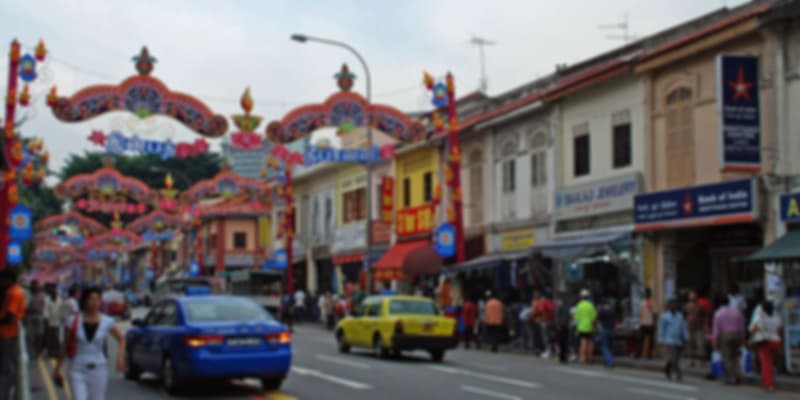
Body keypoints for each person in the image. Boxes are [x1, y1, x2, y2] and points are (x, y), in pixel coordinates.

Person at [54, 287, 125, 400]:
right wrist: (57, 368)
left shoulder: (107, 321)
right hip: (76, 369)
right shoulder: (72, 321)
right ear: (85, 301)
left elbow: (121, 339)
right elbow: (65, 345)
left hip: (98, 370)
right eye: (91, 299)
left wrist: (120, 357)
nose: (95, 303)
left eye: (97, 299)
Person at [0, 267, 25, 399]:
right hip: (6, 334)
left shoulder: (14, 293)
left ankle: (4, 394)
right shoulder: (11, 291)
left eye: (2, 280)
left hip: (7, 335)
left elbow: (10, 315)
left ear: (8, 280)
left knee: (6, 367)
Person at [749, 300, 782, 392]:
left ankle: (769, 384)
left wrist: (752, 337)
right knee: (771, 363)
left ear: (763, 308)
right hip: (776, 341)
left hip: (765, 342)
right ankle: (771, 381)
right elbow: (780, 329)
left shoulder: (761, 317)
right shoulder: (776, 317)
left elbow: (754, 329)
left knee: (765, 364)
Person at [712, 296, 745, 385]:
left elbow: (716, 329)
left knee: (726, 358)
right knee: (735, 357)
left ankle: (730, 377)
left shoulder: (718, 313)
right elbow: (741, 327)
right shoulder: (737, 312)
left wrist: (715, 342)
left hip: (725, 335)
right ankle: (738, 375)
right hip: (736, 335)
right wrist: (742, 338)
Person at [658, 299, 688, 381]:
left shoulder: (680, 316)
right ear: (669, 306)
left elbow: (683, 327)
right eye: (672, 305)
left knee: (675, 358)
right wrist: (661, 339)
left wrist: (686, 336)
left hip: (678, 340)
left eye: (675, 305)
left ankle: (667, 368)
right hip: (669, 340)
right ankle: (679, 373)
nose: (673, 306)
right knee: (674, 357)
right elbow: (662, 329)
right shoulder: (665, 317)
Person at [684, 290, 708, 367]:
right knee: (690, 344)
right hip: (689, 327)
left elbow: (705, 316)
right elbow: (684, 316)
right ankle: (691, 361)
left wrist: (706, 326)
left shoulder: (701, 306)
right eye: (690, 295)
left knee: (700, 344)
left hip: (699, 327)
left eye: (693, 295)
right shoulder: (687, 306)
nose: (692, 296)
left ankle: (701, 361)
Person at [25, 280, 48, 358]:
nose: (35, 288)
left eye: (36, 286)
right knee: (30, 335)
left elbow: (45, 307)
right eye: (33, 286)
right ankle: (32, 352)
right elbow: (25, 307)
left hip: (39, 316)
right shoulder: (27, 295)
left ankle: (38, 352)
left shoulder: (43, 296)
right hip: (29, 316)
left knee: (39, 335)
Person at [574, 289, 597, 364]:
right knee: (590, 342)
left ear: (581, 297)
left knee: (583, 342)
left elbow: (576, 318)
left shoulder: (579, 305)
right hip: (590, 326)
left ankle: (583, 358)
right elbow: (594, 318)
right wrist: (594, 327)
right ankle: (590, 358)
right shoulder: (591, 305)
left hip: (582, 327)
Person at [44, 284, 62, 359]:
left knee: (57, 338)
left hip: (58, 323)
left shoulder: (60, 300)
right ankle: (50, 352)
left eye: (55, 292)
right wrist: (47, 321)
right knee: (50, 338)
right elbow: (46, 312)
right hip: (50, 322)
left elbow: (62, 311)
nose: (54, 293)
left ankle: (57, 352)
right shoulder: (47, 300)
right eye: (53, 292)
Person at [597, 297, 616, 368]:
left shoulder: (602, 311)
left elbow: (597, 318)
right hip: (611, 329)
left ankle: (610, 361)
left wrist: (598, 310)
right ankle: (607, 361)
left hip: (604, 329)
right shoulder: (612, 311)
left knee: (605, 347)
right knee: (610, 346)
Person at [553, 292, 571, 363]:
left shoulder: (562, 306)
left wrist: (558, 325)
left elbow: (557, 317)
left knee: (562, 342)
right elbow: (559, 317)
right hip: (564, 326)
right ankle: (562, 356)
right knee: (562, 342)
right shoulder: (565, 306)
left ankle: (562, 356)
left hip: (562, 326)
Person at [639, 288, 656, 359]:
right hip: (650, 323)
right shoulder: (652, 302)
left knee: (643, 339)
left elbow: (641, 314)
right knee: (650, 340)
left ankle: (644, 354)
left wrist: (640, 322)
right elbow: (655, 314)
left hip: (644, 324)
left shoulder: (642, 303)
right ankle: (648, 354)